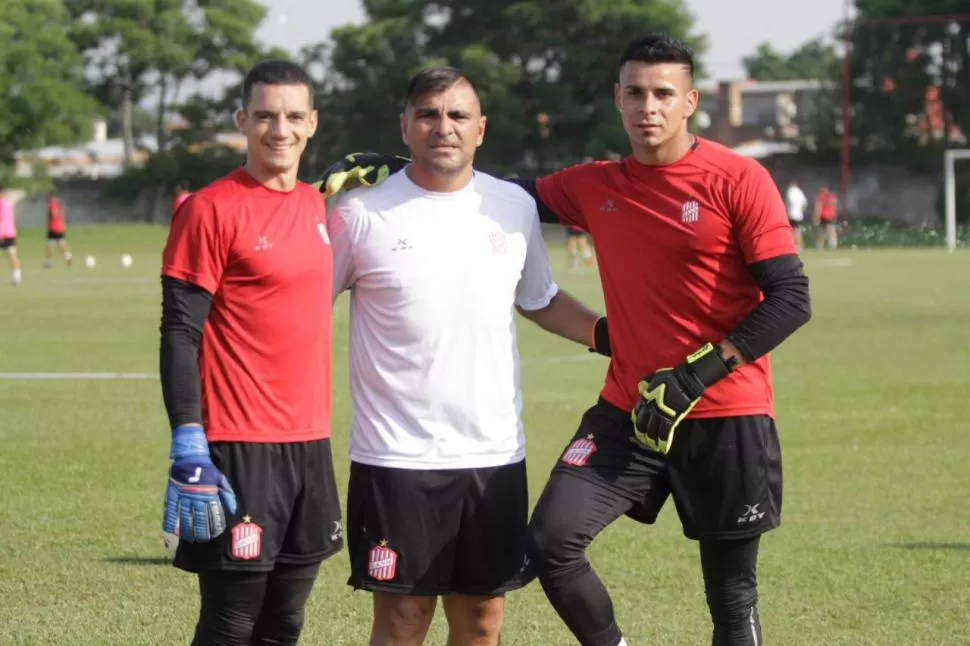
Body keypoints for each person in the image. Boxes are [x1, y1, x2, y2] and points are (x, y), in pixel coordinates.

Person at [316, 33, 812, 646]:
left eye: (663, 93)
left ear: (690, 101)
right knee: (551, 540)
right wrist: (407, 165)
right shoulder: (594, 183)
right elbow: (493, 185)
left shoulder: (740, 178)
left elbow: (791, 299)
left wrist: (696, 375)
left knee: (731, 598)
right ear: (618, 98)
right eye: (635, 92)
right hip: (629, 409)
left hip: (725, 411)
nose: (647, 107)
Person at [324, 67, 609, 646]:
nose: (443, 127)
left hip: (493, 452)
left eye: (457, 116)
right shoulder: (360, 213)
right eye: (428, 114)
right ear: (405, 127)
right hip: (395, 455)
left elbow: (540, 299)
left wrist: (612, 337)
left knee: (482, 620)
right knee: (403, 620)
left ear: (481, 129)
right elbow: (302, 301)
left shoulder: (512, 206)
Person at [158, 59, 341, 646]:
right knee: (232, 620)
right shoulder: (209, 209)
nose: (278, 130)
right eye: (264, 115)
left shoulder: (319, 206)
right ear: (242, 120)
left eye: (292, 116)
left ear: (312, 123)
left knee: (285, 620)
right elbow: (179, 332)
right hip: (239, 445)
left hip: (310, 443)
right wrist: (189, 439)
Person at [44, 191, 73, 268]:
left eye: (48, 196)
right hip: (60, 227)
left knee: (50, 244)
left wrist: (53, 216)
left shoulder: (52, 205)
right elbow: (62, 215)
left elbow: (54, 214)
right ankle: (68, 257)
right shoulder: (59, 205)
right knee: (61, 243)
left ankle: (49, 262)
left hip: (54, 227)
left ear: (51, 197)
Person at [0, 188, 22, 285]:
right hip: (10, 233)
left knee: (11, 255)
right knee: (12, 254)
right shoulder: (8, 204)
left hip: (3, 233)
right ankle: (17, 276)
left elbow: (1, 219)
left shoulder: (1, 204)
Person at [814, 184, 838, 250]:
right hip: (825, 216)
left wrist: (816, 217)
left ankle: (827, 245)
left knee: (827, 231)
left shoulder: (825, 196)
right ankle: (827, 245)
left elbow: (818, 207)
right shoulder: (829, 196)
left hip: (827, 216)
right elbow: (834, 205)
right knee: (824, 231)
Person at [785, 179, 807, 250]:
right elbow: (804, 203)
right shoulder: (799, 191)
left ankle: (794, 244)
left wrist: (787, 212)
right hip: (799, 215)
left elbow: (788, 202)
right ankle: (800, 244)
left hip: (791, 213)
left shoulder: (790, 191)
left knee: (792, 230)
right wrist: (801, 211)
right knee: (798, 229)